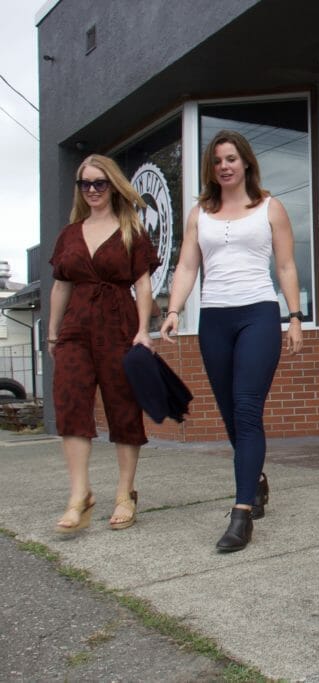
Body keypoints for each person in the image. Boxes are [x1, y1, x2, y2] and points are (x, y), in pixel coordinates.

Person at [160, 130, 303, 553]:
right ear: (212, 168)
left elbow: (287, 265)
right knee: (228, 413)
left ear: (246, 164)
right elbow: (187, 265)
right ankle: (255, 481)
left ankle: (241, 514)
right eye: (218, 160)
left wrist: (294, 317)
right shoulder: (199, 214)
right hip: (215, 320)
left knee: (246, 408)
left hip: (258, 313)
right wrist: (173, 310)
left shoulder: (270, 208)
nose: (225, 166)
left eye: (232, 158)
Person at [48, 154, 160, 533]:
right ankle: (80, 495)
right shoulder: (69, 233)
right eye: (85, 184)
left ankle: (125, 494)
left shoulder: (131, 230)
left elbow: (143, 284)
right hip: (76, 329)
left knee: (123, 407)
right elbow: (61, 284)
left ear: (113, 185)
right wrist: (53, 332)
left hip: (119, 326)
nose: (92, 190)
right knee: (71, 405)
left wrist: (144, 330)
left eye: (99, 183)